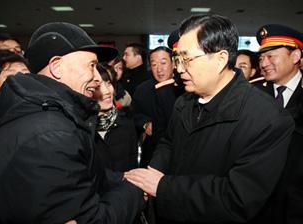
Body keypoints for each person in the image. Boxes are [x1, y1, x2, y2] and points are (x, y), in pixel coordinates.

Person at [125, 14, 295, 224]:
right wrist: (151, 174)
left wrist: (163, 187)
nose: (178, 68)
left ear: (220, 59)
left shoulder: (268, 119)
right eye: (177, 59)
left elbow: (238, 199)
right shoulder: (184, 102)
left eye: (187, 59)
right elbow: (169, 143)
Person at [0, 22, 144, 223]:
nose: (97, 78)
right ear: (57, 67)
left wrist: (122, 178)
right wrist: (134, 190)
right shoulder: (53, 133)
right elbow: (92, 219)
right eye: (92, 66)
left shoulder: (30, 110)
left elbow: (82, 172)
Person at [255, 23, 303, 224]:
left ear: (295, 56)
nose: (264, 63)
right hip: (258, 200)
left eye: (271, 55)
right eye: (261, 58)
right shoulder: (252, 95)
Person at [93, 64, 138, 172]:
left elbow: (133, 168)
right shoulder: (82, 128)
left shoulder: (126, 123)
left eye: (108, 84)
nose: (107, 91)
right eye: (98, 86)